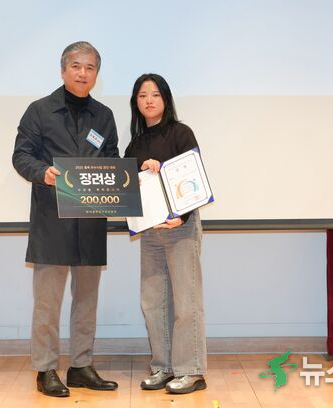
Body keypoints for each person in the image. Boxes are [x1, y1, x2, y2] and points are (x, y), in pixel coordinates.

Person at [12, 41, 119, 398]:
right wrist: (42, 172)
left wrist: (116, 177)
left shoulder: (104, 116)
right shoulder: (39, 111)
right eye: (76, 66)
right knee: (48, 303)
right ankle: (45, 369)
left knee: (86, 300)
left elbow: (112, 157)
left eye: (90, 68)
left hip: (90, 221)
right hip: (52, 221)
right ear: (62, 70)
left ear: (96, 74)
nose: (83, 73)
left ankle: (81, 366)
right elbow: (21, 156)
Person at [124, 73, 208, 394]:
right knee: (153, 301)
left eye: (155, 95)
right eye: (143, 95)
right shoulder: (134, 144)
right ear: (136, 102)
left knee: (186, 302)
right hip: (150, 232)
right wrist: (137, 172)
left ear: (166, 99)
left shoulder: (180, 133)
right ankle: (163, 366)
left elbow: (194, 179)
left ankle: (191, 371)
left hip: (180, 228)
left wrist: (181, 215)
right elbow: (128, 189)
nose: (149, 100)